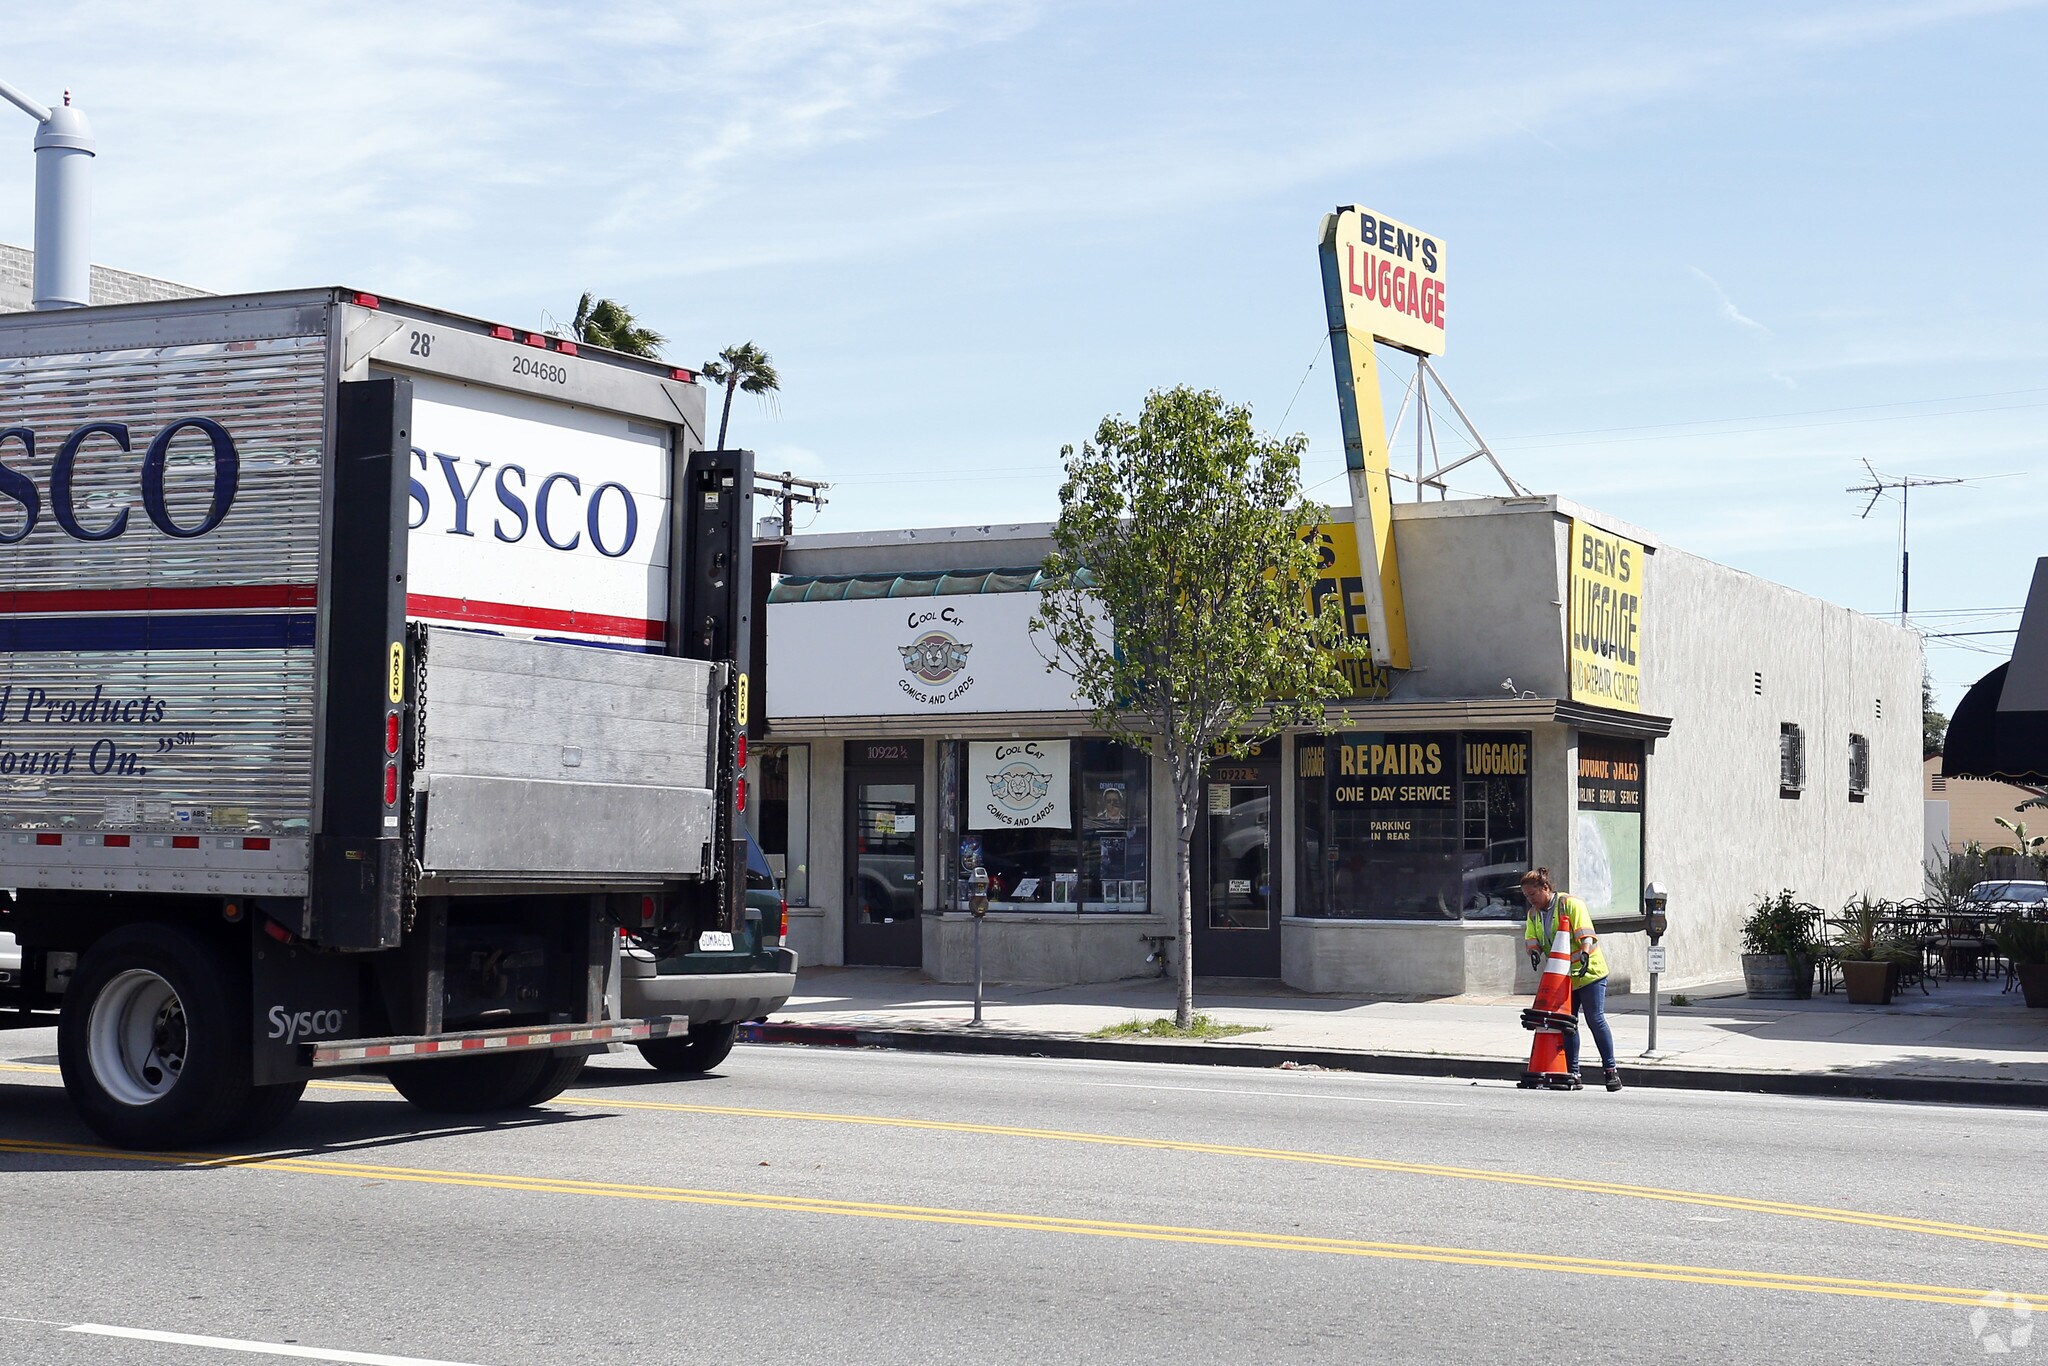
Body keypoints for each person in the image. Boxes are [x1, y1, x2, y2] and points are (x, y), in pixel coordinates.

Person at [1521, 867, 1621, 1092]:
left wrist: (1585, 952)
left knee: (1595, 1019)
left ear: (1545, 888)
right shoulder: (1533, 914)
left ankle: (1610, 1070)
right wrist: (1534, 951)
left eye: (1533, 894)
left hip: (1589, 973)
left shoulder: (1570, 904)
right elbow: (1531, 937)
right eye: (1526, 896)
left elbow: (1586, 933)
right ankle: (1573, 1073)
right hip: (1564, 978)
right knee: (1567, 1024)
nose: (1530, 899)